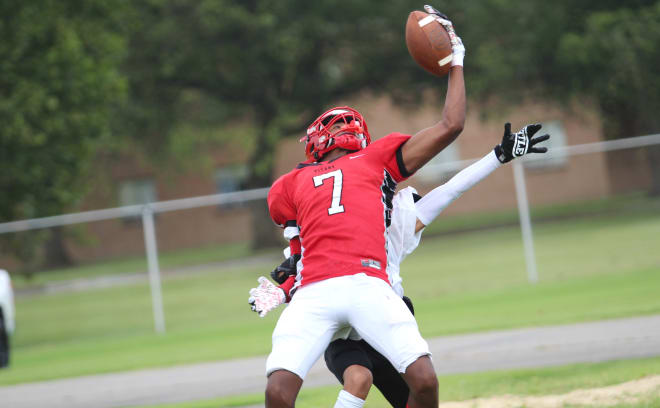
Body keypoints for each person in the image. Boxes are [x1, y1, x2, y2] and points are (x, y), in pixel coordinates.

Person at [251, 122, 550, 407]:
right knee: (358, 378)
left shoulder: (401, 215)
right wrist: (283, 287)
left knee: (414, 393)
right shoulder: (330, 219)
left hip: (380, 315)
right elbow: (308, 270)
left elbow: (450, 189)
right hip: (343, 332)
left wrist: (497, 157)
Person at [256, 7, 466, 408]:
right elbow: (298, 243)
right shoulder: (299, 181)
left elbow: (451, 127)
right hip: (319, 288)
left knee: (423, 381)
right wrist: (455, 62)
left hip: (366, 283)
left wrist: (455, 60)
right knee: (278, 391)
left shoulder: (367, 162)